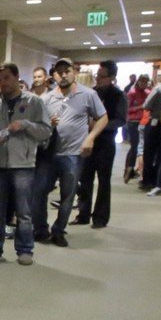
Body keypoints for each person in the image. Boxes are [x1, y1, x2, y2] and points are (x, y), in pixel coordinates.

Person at [35, 58, 107, 247]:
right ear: (54, 76)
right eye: (59, 72)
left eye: (67, 71)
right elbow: (37, 125)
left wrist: (90, 138)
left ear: (74, 72)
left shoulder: (88, 94)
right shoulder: (47, 98)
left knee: (68, 194)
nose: (63, 75)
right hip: (48, 154)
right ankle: (40, 229)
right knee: (39, 192)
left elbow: (102, 118)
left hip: (73, 154)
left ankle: (59, 230)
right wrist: (47, 125)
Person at [0, 62, 51, 266]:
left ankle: (25, 249)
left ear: (16, 78)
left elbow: (46, 131)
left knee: (23, 211)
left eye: (6, 78)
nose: (3, 83)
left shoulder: (34, 102)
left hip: (23, 164)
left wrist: (25, 125)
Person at [74, 60, 126, 228]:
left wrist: (100, 126)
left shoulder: (118, 96)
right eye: (98, 75)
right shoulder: (91, 93)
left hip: (106, 143)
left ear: (112, 77)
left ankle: (100, 217)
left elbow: (120, 120)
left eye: (102, 76)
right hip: (87, 142)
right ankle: (83, 214)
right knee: (84, 178)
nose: (98, 79)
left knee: (104, 180)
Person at [124, 74, 151, 182]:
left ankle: (137, 169)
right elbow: (127, 109)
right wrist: (140, 107)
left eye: (146, 82)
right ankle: (128, 169)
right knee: (135, 146)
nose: (144, 84)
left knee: (143, 147)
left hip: (145, 122)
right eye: (142, 82)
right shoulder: (132, 93)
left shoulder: (148, 93)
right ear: (138, 81)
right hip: (133, 122)